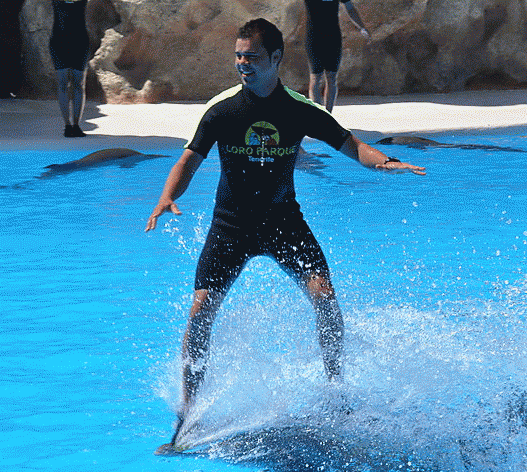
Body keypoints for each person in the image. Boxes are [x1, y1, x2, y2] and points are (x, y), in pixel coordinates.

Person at [146, 18, 424, 449]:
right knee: (199, 312)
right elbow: (188, 161)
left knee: (325, 297)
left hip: (282, 222)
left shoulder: (299, 109)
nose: (243, 63)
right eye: (239, 56)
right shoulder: (222, 109)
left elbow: (352, 145)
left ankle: (336, 389)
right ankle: (187, 415)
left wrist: (385, 162)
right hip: (231, 225)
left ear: (276, 58)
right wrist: (167, 196)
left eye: (252, 57)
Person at [305, 0, 371, 112]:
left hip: (333, 37)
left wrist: (362, 28)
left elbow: (350, 8)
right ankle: (318, 116)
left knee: (331, 77)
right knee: (316, 78)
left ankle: (328, 115)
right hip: (314, 38)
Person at [49, 0, 90, 137]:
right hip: (59, 42)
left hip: (80, 42)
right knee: (62, 83)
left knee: (79, 84)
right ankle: (67, 125)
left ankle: (76, 125)